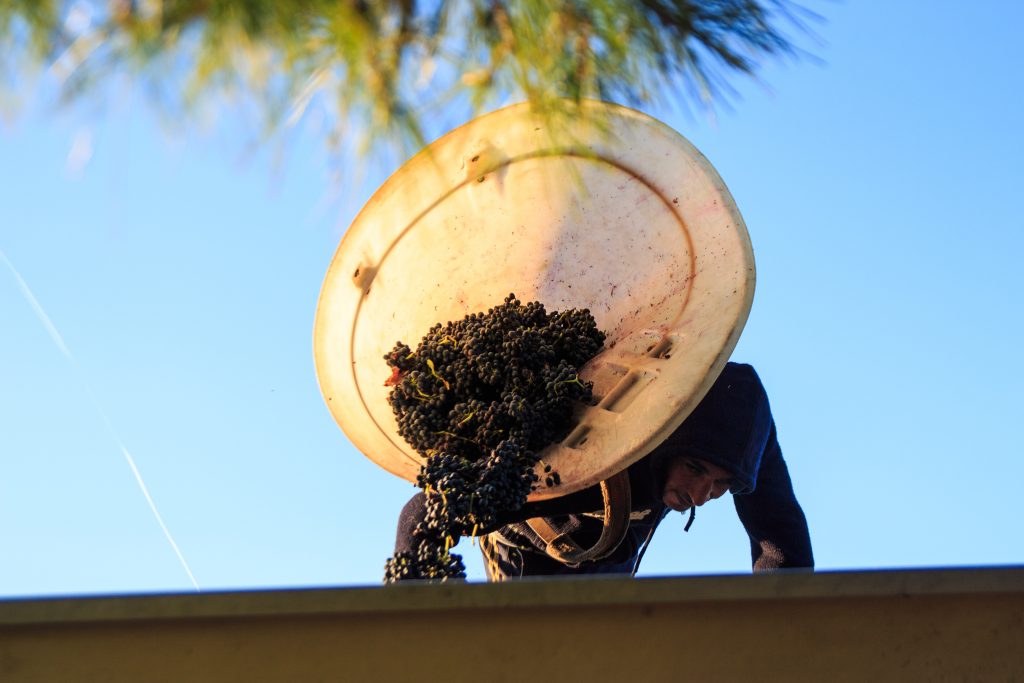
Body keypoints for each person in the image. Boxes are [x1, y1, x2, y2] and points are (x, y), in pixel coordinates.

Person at [393, 362, 813, 579]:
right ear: (666, 442)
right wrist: (421, 599)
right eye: (694, 469)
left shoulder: (747, 431)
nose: (701, 495)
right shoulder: (582, 462)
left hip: (615, 546)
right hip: (530, 543)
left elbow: (779, 531)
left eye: (721, 485)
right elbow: (424, 513)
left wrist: (782, 627)